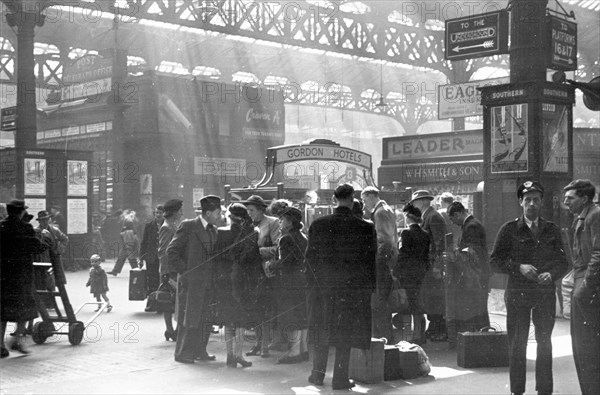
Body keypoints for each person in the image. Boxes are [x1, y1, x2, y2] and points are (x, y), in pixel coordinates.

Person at [490, 181, 568, 395]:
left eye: (535, 199)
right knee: (517, 343)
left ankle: (544, 390)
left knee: (544, 343)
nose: (531, 204)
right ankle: (517, 391)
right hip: (518, 294)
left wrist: (551, 274)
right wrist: (518, 267)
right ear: (520, 202)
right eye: (527, 200)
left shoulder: (551, 230)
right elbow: (495, 260)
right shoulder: (508, 229)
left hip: (544, 294)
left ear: (541, 202)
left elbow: (564, 261)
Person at [305, 184, 377, 389]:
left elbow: (309, 260)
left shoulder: (318, 224)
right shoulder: (364, 227)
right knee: (345, 334)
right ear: (352, 199)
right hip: (352, 291)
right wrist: (370, 291)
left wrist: (311, 287)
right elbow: (370, 262)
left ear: (333, 199)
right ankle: (340, 378)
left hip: (323, 289)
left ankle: (317, 375)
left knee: (322, 331)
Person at [167, 195, 222, 364]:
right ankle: (183, 353)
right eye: (217, 212)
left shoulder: (213, 229)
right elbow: (172, 251)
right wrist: (186, 272)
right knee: (189, 318)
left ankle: (200, 351)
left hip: (208, 283)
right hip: (192, 283)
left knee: (206, 318)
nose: (220, 215)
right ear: (207, 212)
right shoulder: (189, 226)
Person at [562, 179, 600, 395]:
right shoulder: (584, 216)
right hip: (582, 282)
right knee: (582, 345)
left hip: (588, 286)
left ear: (584, 198)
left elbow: (598, 253)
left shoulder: (594, 215)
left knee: (586, 346)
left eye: (570, 198)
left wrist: (585, 287)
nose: (566, 202)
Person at [215, 203, 261, 368]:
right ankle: (238, 354)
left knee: (228, 318)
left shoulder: (220, 233)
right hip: (243, 281)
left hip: (225, 281)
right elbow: (254, 260)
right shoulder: (252, 233)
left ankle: (229, 355)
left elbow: (216, 259)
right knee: (241, 319)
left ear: (229, 216)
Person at [1, 200, 47, 358]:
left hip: (4, 275)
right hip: (21, 275)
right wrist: (44, 241)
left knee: (3, 310)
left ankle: (0, 345)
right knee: (25, 307)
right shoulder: (25, 228)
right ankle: (18, 341)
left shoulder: (2, 227)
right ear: (21, 212)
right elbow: (37, 247)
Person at [445, 202, 490, 349]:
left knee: (478, 308)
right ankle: (483, 341)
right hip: (478, 275)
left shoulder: (471, 226)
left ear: (457, 214)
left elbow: (471, 253)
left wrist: (455, 254)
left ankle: (481, 342)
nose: (453, 223)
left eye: (453, 219)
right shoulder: (472, 224)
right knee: (479, 308)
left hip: (475, 276)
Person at [268, 206, 309, 364]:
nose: (280, 222)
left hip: (289, 280)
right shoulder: (303, 237)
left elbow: (285, 263)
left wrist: (271, 265)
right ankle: (303, 350)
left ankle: (293, 352)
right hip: (302, 279)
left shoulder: (286, 238)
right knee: (302, 314)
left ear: (290, 222)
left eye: (283, 219)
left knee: (291, 316)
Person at [243, 195, 281, 357]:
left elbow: (278, 247)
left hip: (266, 271)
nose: (249, 213)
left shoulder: (272, 223)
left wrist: (257, 252)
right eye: (248, 211)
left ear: (261, 210)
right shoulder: (247, 224)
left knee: (265, 308)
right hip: (251, 271)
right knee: (255, 309)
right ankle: (259, 343)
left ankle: (265, 345)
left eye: (252, 210)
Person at [410, 190, 448, 342]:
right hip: (429, 265)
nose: (414, 206)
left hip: (433, 266)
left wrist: (438, 266)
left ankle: (439, 329)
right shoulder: (429, 216)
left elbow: (440, 243)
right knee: (431, 298)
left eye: (415, 203)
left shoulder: (433, 216)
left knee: (435, 298)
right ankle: (435, 328)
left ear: (422, 202)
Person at [361, 186, 397, 342]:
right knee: (382, 302)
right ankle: (386, 335)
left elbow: (385, 239)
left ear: (370, 196)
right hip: (388, 261)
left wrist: (378, 260)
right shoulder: (385, 209)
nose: (364, 204)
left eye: (364, 200)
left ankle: (384, 337)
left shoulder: (380, 212)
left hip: (382, 262)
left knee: (379, 302)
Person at [393, 203, 430, 345]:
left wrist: (396, 272)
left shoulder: (406, 233)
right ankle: (420, 334)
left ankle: (410, 335)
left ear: (408, 217)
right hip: (420, 272)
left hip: (407, 273)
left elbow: (402, 254)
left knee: (408, 303)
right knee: (418, 303)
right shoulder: (425, 234)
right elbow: (426, 256)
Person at [157, 199, 184, 341]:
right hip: (170, 271)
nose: (182, 212)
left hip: (173, 269)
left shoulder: (174, 224)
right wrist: (165, 273)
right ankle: (170, 329)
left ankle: (173, 330)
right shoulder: (167, 227)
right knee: (169, 301)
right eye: (180, 209)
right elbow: (163, 252)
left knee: (174, 301)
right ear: (175, 211)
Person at [139, 205, 165, 297]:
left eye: (160, 213)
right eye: (156, 212)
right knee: (151, 278)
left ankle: (161, 298)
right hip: (151, 256)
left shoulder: (167, 225)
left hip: (163, 257)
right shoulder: (149, 226)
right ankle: (152, 300)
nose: (158, 215)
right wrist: (141, 258)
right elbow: (144, 242)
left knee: (162, 278)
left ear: (164, 214)